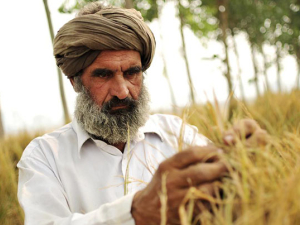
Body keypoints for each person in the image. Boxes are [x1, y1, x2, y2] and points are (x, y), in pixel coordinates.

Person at [17, 3, 266, 225]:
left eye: (132, 73)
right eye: (103, 74)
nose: (123, 91)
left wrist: (247, 160)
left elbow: (230, 196)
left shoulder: (175, 133)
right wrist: (136, 213)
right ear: (75, 81)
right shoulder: (44, 156)